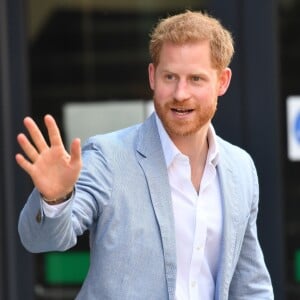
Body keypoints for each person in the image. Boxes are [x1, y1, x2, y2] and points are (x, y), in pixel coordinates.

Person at [16, 10, 274, 300]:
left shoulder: (240, 168)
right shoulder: (107, 157)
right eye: (170, 77)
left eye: (196, 79)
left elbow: (249, 283)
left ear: (222, 82)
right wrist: (54, 200)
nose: (180, 93)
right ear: (153, 76)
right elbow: (41, 240)